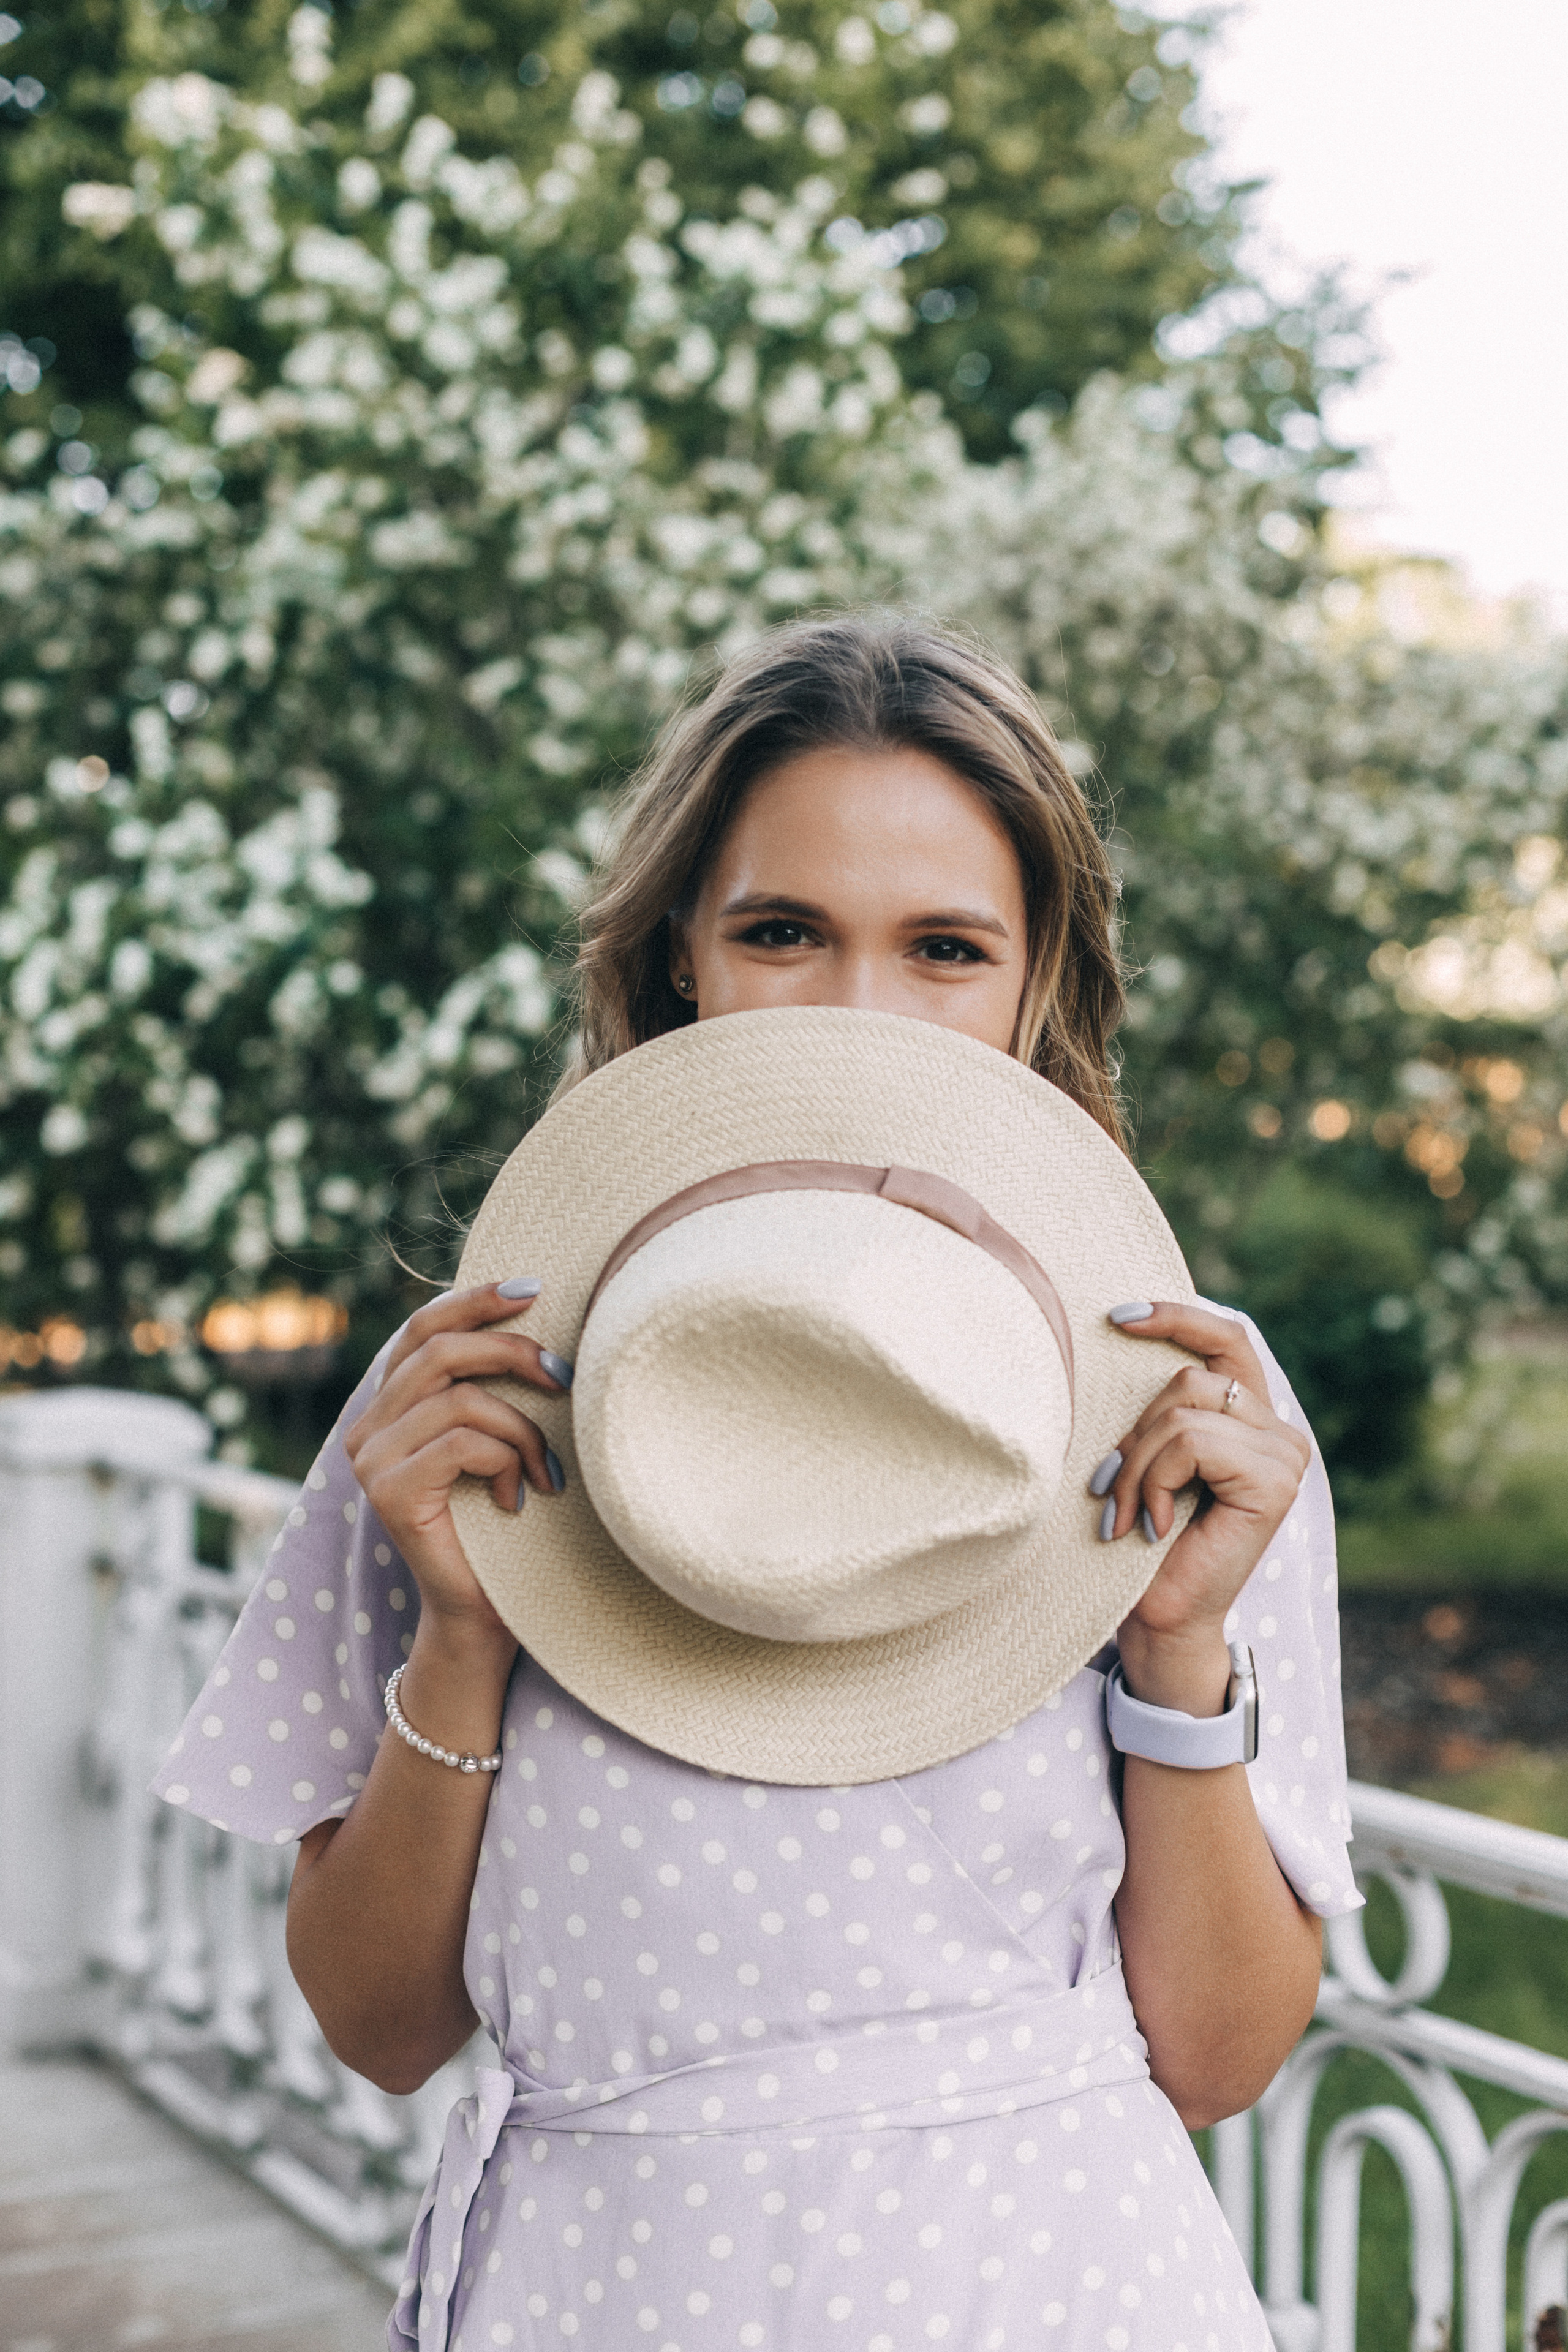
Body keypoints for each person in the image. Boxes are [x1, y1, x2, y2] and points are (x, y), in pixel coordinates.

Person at [156, 614, 1360, 2351]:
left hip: (1062, 2288)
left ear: (1038, 988)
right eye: (784, 931)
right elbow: (379, 2026)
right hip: (607, 2292)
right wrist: (467, 1637)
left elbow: (1224, 2058)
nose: (862, 1014)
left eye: (946, 946)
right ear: (677, 965)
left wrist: (1177, 1651)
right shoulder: (470, 1396)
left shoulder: (1186, 1406)